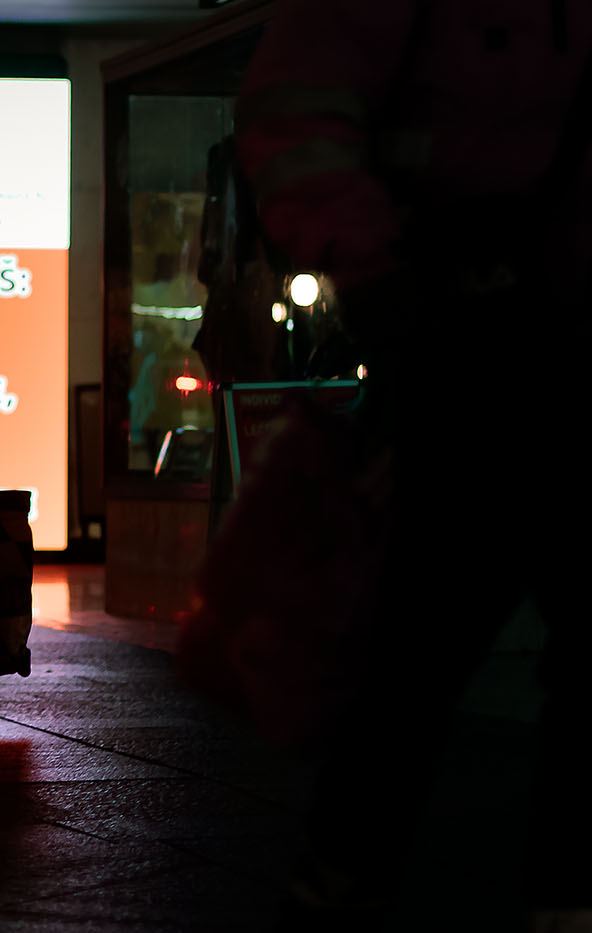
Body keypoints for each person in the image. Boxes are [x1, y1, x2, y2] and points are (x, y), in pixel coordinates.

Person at [234, 1, 591, 927]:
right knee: (418, 646)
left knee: (421, 648)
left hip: (473, 325)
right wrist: (381, 280)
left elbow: (296, 109)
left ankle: (357, 875)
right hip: (472, 331)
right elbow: (299, 110)